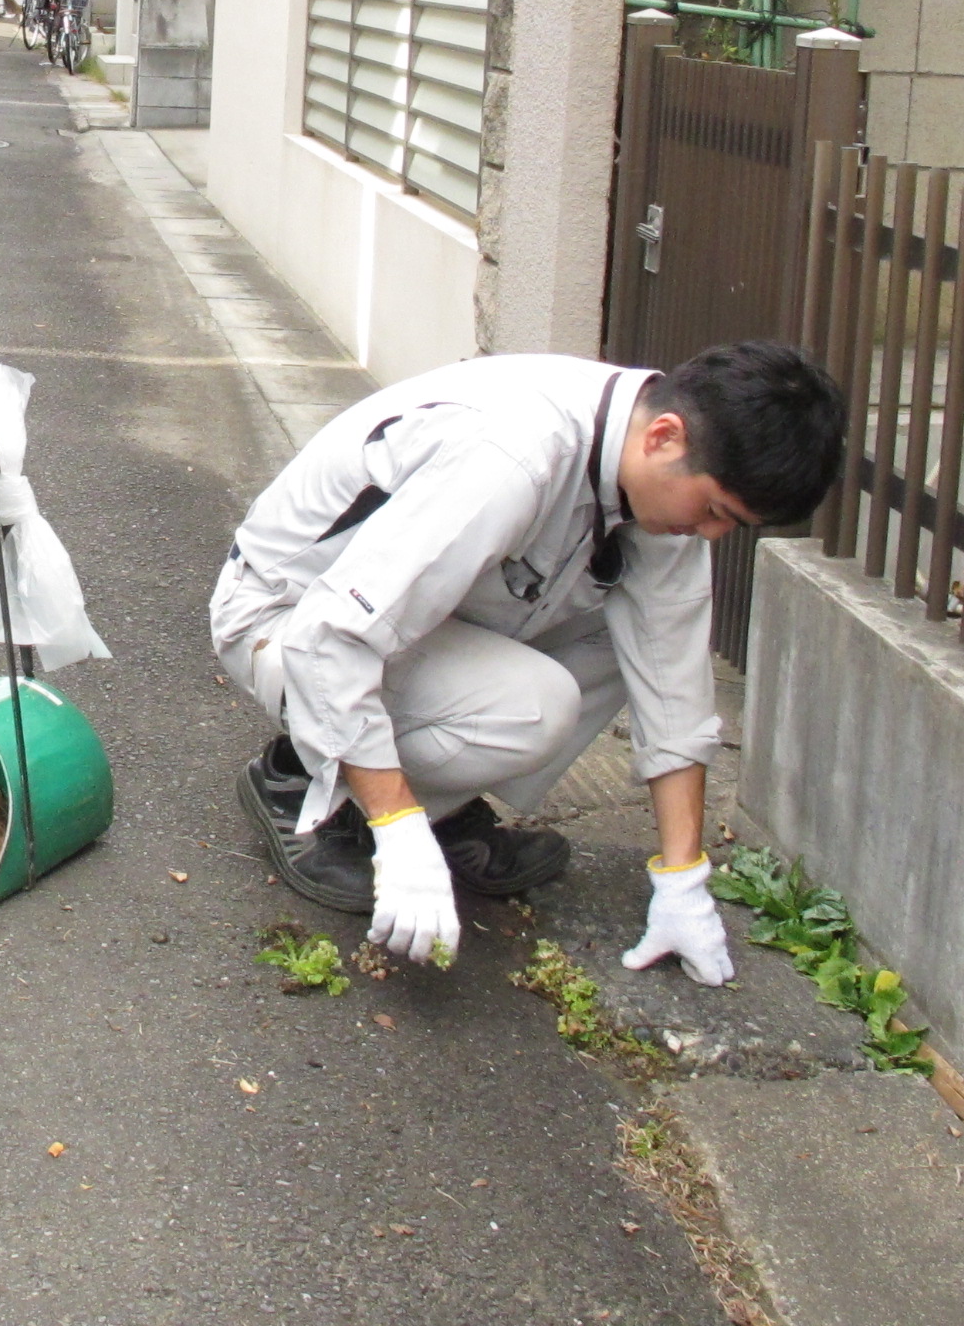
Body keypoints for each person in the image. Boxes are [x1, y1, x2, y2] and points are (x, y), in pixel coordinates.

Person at [211, 340, 844, 978]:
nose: (710, 534)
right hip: (284, 616)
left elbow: (673, 677)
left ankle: (445, 806)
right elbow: (334, 637)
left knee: (631, 639)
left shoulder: (644, 465)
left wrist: (683, 881)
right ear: (665, 436)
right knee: (536, 705)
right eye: (712, 511)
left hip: (414, 619)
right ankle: (307, 790)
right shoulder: (514, 453)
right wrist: (399, 830)